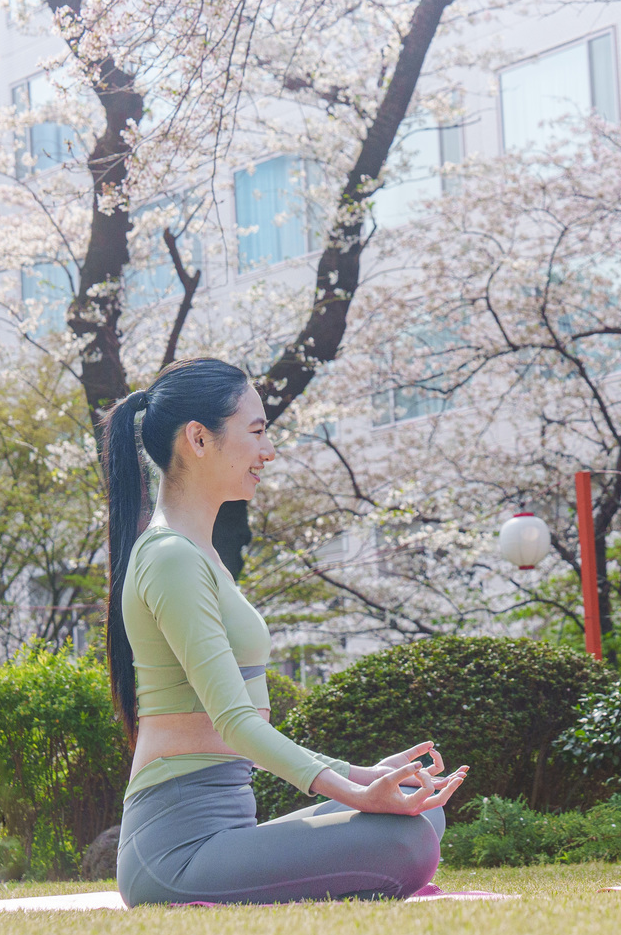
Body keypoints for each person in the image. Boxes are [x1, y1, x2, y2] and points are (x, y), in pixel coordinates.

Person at [107, 358, 466, 905]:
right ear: (198, 439)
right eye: (255, 432)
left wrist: (366, 775)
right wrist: (357, 792)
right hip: (176, 850)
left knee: (422, 806)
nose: (267, 452)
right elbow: (235, 724)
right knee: (406, 842)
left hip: (228, 830)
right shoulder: (170, 558)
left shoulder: (198, 553)